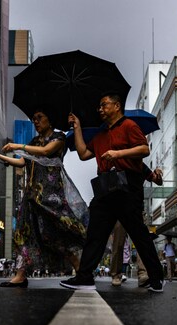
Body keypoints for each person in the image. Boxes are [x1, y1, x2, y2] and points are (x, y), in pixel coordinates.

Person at [60, 92, 165, 292]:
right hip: (106, 186)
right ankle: (84, 277)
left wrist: (118, 153)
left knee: (138, 233)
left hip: (128, 186)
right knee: (95, 233)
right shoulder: (100, 135)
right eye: (99, 106)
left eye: (104, 105)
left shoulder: (129, 126)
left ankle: (156, 277)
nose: (100, 109)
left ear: (117, 106)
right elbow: (83, 154)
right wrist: (78, 127)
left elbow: (144, 149)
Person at [0, 110, 88, 288]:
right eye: (34, 119)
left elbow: (45, 151)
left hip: (51, 196)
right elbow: (22, 162)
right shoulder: (34, 141)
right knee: (25, 233)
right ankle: (20, 275)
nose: (36, 122)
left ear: (50, 120)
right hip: (31, 195)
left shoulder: (59, 137)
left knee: (56, 233)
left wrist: (18, 146)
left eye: (40, 118)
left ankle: (81, 271)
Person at [110, 166, 163, 287]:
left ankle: (143, 274)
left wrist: (158, 174)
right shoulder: (117, 163)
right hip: (120, 210)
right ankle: (116, 274)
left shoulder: (139, 165)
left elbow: (157, 181)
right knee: (118, 243)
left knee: (142, 243)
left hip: (138, 210)